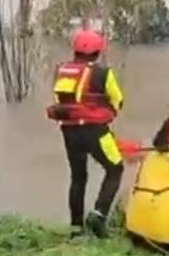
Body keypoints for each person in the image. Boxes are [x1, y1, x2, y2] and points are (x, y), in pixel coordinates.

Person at [46, 29, 125, 239]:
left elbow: (58, 97)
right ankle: (99, 215)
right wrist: (109, 111)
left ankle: (76, 228)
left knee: (78, 176)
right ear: (98, 52)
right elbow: (118, 99)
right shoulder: (103, 73)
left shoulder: (61, 70)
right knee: (115, 168)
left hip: (69, 130)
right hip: (96, 130)